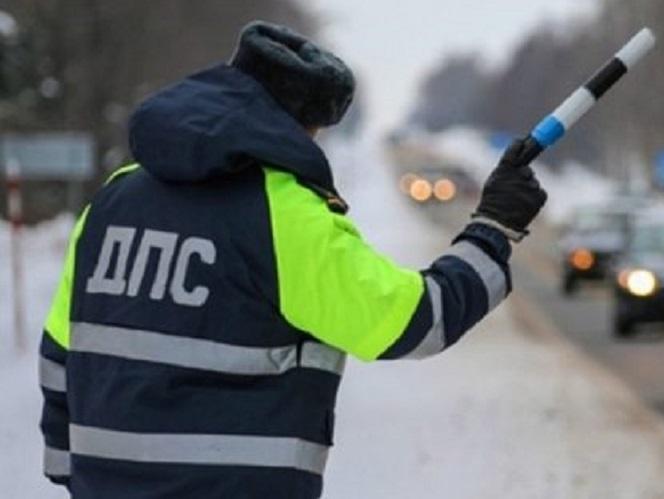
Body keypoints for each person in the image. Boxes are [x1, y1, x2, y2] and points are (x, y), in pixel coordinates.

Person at [38, 21, 546, 499]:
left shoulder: (115, 199)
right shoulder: (283, 213)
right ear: (300, 127)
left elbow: (60, 349)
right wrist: (493, 230)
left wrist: (71, 470)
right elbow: (411, 320)